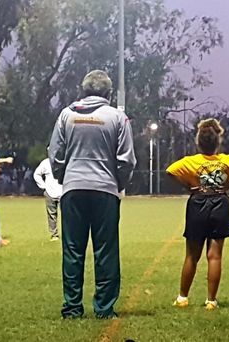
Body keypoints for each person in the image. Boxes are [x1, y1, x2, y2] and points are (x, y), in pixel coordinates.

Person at [48, 70, 136, 319]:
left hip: (73, 190)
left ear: (83, 90)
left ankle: (72, 307)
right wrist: (119, 184)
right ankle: (104, 308)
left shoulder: (66, 115)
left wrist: (63, 177)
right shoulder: (117, 117)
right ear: (108, 92)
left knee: (73, 251)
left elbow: (55, 153)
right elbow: (126, 160)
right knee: (106, 251)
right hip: (105, 191)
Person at [168, 119, 229, 310]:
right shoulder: (227, 161)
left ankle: (183, 298)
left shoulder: (191, 161)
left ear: (198, 142)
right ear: (217, 143)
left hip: (198, 203)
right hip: (220, 203)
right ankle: (211, 301)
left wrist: (188, 186)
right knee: (214, 256)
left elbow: (170, 171)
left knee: (191, 255)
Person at [34, 157, 64, 241]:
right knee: (51, 215)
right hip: (50, 193)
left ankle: (68, 234)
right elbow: (36, 174)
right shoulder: (46, 162)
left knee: (67, 215)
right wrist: (43, 186)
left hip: (64, 192)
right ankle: (54, 234)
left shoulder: (65, 161)